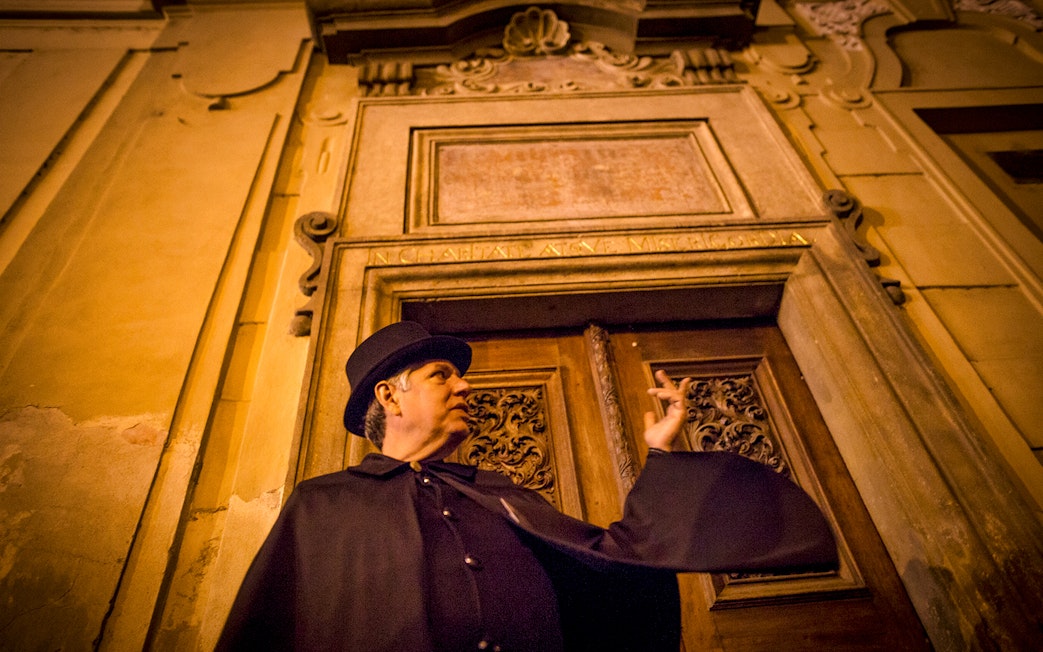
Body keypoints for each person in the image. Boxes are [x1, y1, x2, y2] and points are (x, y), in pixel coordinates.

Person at [217, 321, 837, 651]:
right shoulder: (322, 507)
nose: (465, 386)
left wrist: (662, 453)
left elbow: (620, 557)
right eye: (441, 375)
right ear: (390, 395)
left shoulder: (500, 494)